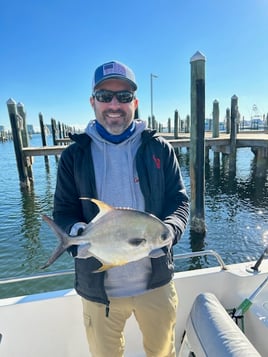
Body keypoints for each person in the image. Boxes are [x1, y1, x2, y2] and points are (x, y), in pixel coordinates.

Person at [52, 60, 189, 357]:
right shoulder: (74, 155)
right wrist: (77, 236)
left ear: (135, 103)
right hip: (99, 291)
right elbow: (63, 211)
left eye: (124, 97)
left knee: (163, 353)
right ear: (93, 102)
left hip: (156, 284)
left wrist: (169, 231)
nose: (114, 104)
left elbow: (179, 201)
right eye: (105, 96)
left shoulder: (159, 148)